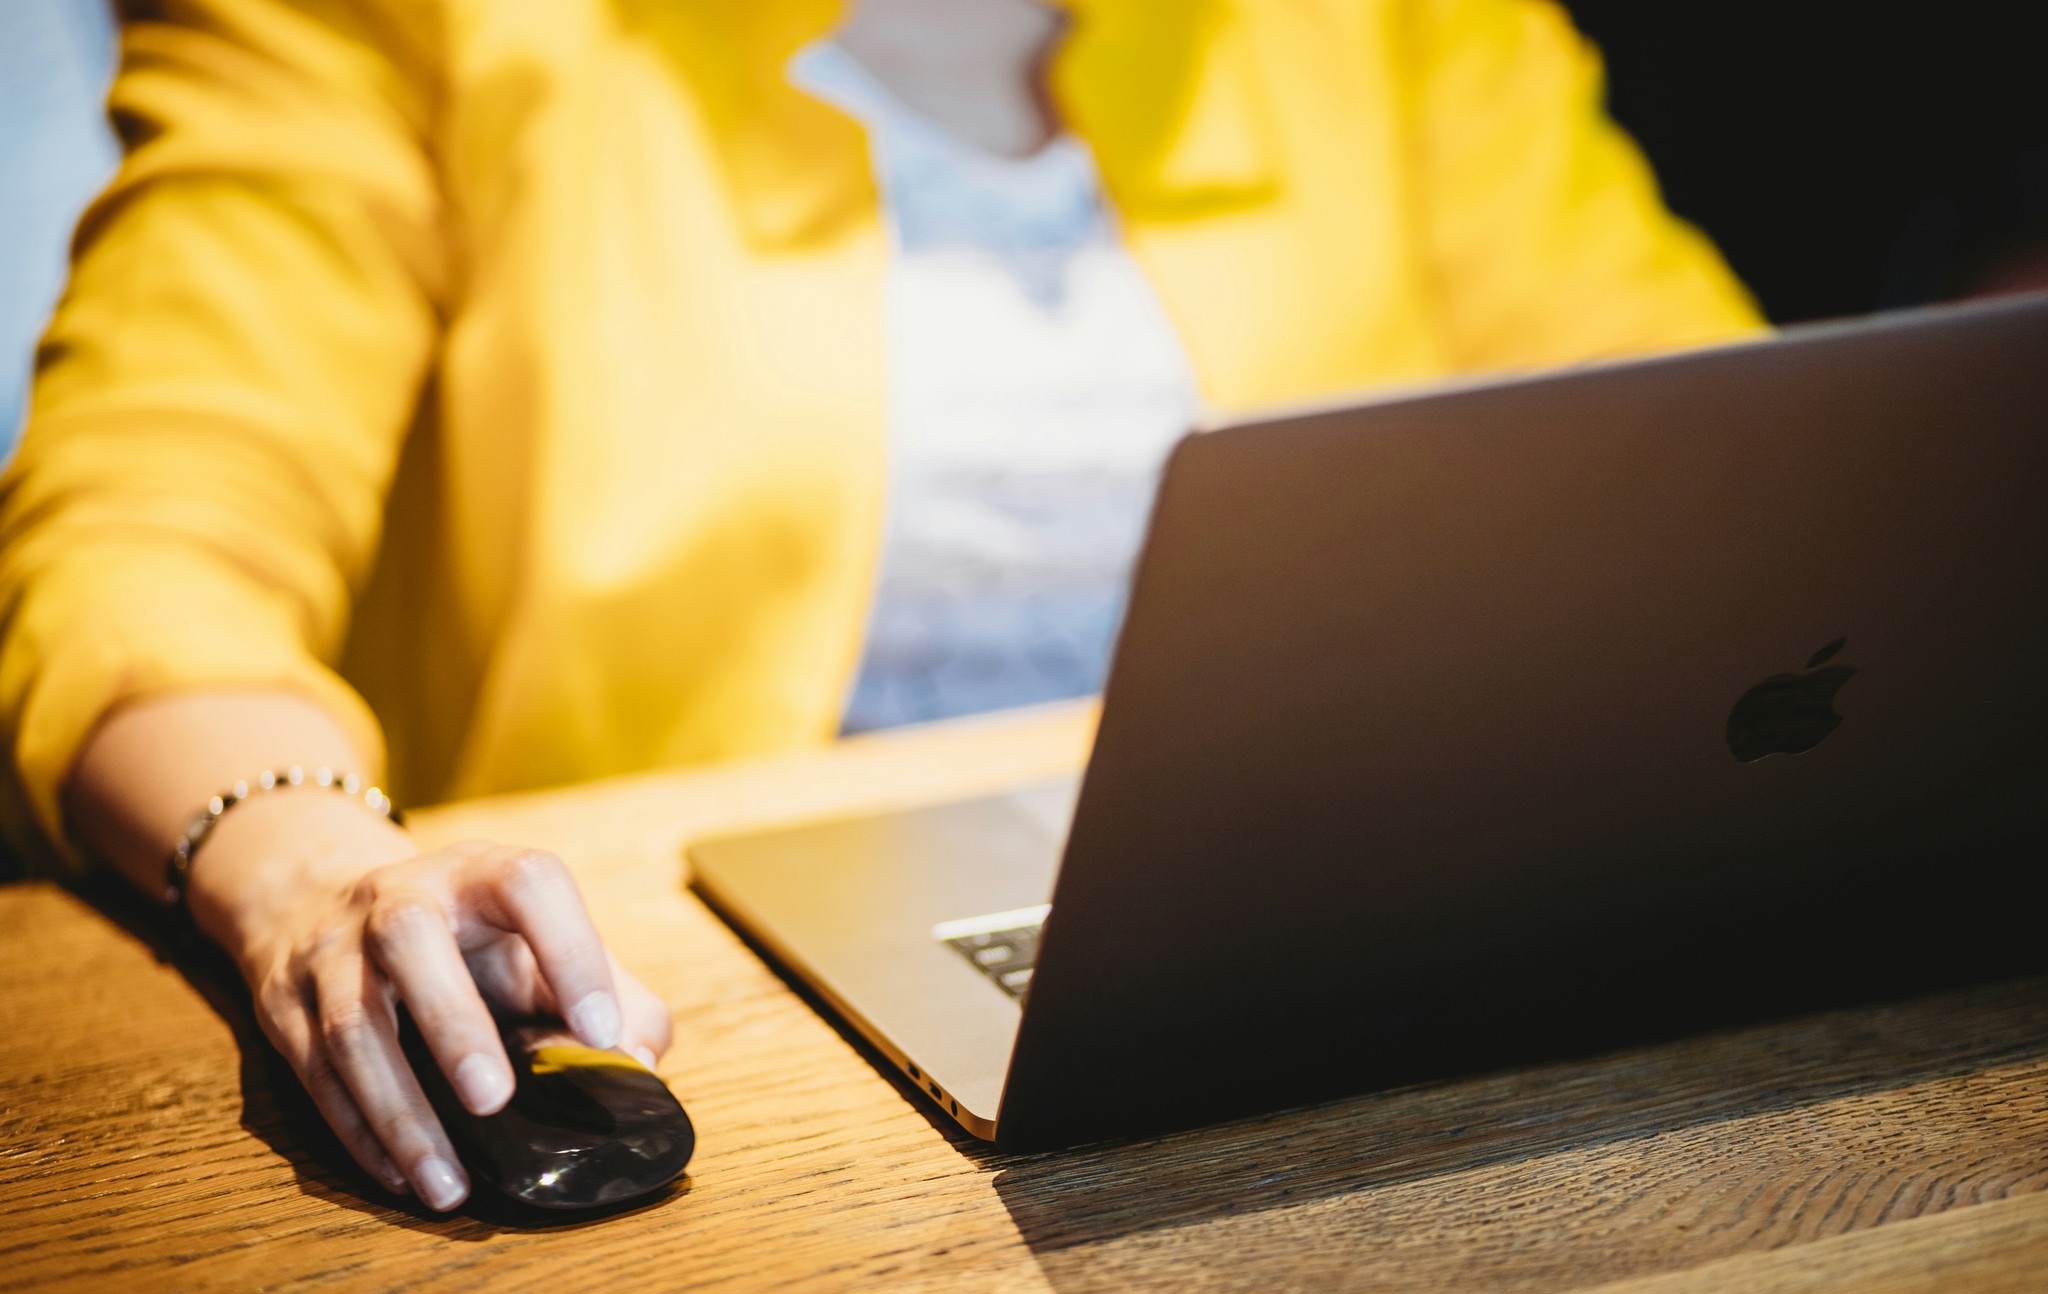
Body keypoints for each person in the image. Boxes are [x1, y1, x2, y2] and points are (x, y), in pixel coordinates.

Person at [0, 0, 1760, 1211]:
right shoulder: (403, 24)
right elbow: (149, 528)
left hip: (1331, 956)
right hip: (701, 1027)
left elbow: (1726, 458)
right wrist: (307, 864)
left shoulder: (1390, 26)